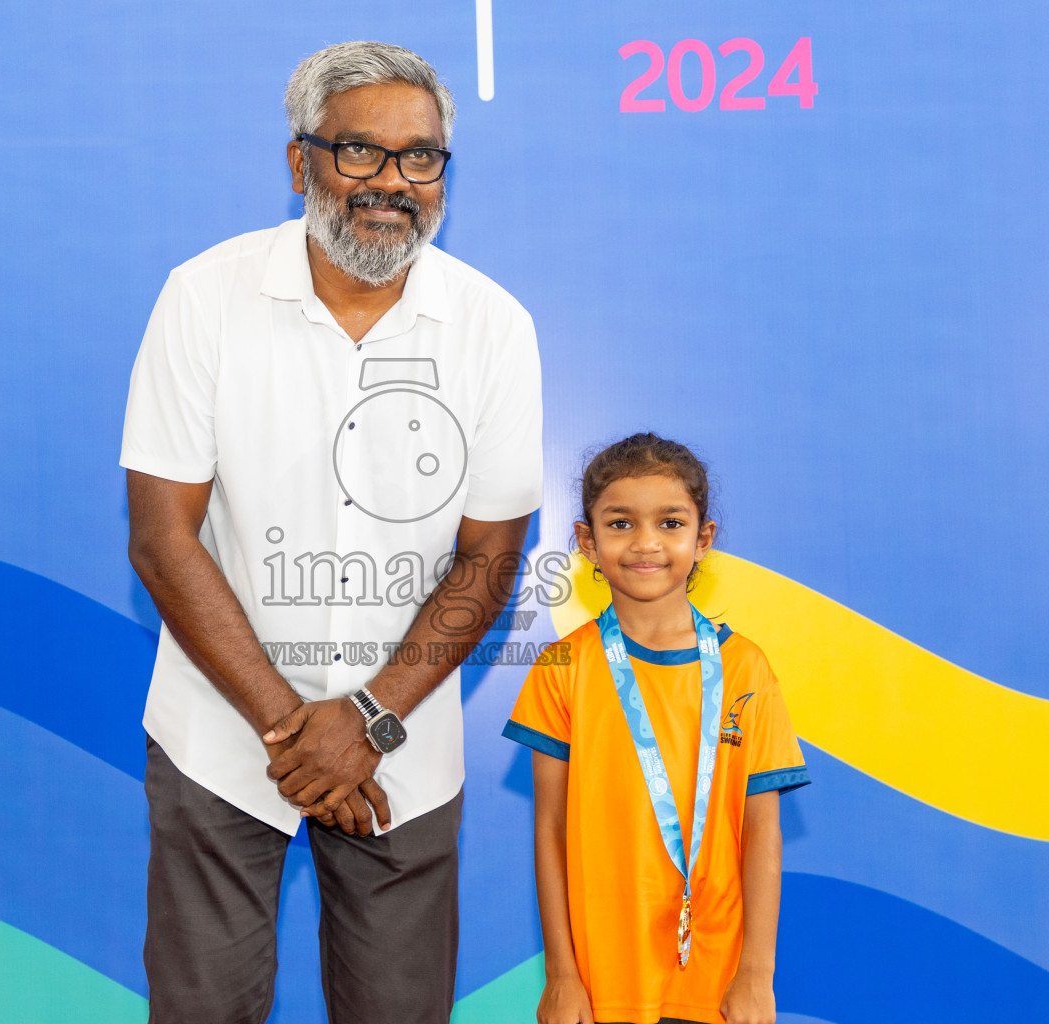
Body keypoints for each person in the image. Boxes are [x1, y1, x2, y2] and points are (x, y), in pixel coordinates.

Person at [121, 40, 543, 1024]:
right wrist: (292, 727)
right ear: (299, 160)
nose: (391, 183)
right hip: (218, 743)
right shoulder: (203, 297)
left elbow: (490, 563)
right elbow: (161, 538)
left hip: (405, 752)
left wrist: (368, 721)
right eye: (360, 152)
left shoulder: (494, 326)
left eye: (420, 158)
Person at [503, 433, 810, 1024]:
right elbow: (550, 828)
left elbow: (762, 831)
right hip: (599, 982)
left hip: (717, 979)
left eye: (670, 523)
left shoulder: (745, 667)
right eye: (621, 524)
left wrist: (756, 975)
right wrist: (562, 976)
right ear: (587, 542)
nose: (646, 542)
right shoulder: (562, 667)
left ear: (704, 539)